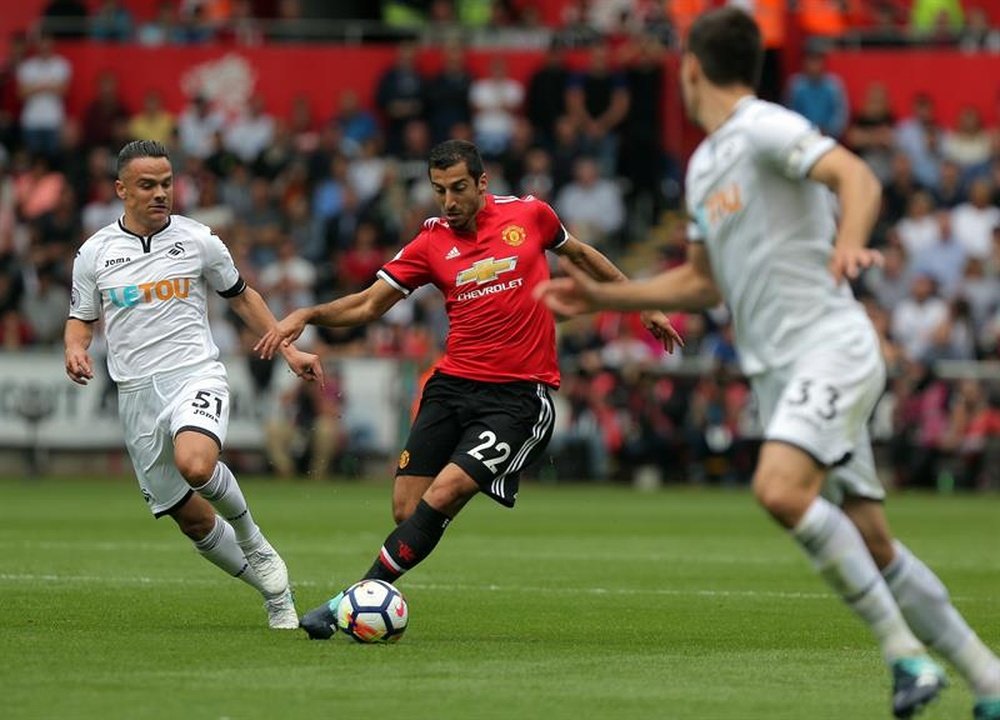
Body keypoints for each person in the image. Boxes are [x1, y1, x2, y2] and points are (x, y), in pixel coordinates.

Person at [534, 9, 1000, 720]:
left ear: (691, 68)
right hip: (784, 372)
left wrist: (848, 242)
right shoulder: (704, 165)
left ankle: (905, 656)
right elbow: (701, 283)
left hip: (829, 346)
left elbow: (856, 177)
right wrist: (608, 294)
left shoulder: (763, 126)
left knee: (778, 489)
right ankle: (989, 681)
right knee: (874, 542)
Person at [254, 139, 682, 639]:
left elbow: (583, 256)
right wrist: (308, 314)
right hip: (452, 385)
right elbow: (369, 305)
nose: (449, 201)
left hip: (519, 396)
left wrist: (644, 303)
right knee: (406, 510)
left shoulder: (532, 215)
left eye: (459, 188)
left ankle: (350, 601)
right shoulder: (430, 243)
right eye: (439, 191)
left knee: (446, 490)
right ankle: (418, 538)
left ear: (482, 183)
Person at [65, 140, 324, 629]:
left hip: (195, 374)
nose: (161, 193)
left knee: (196, 464)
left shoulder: (200, 239)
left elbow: (242, 297)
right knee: (194, 520)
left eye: (166, 183)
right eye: (148, 185)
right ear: (122, 190)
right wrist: (75, 348)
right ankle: (274, 594)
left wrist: (288, 349)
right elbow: (80, 318)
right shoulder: (94, 253)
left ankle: (254, 540)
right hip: (136, 395)